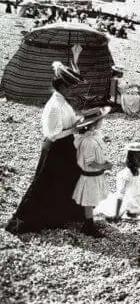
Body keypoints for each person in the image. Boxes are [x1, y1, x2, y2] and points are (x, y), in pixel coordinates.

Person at [5, 62, 86, 234]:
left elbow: (67, 125)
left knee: (66, 181)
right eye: (71, 87)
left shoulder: (63, 102)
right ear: (63, 86)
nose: (73, 90)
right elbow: (53, 134)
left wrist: (79, 123)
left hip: (65, 147)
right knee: (43, 184)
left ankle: (58, 217)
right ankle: (21, 222)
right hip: (55, 148)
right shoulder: (54, 105)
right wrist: (74, 128)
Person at [72, 107, 113, 237]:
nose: (103, 121)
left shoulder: (94, 135)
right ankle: (88, 226)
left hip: (96, 175)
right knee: (89, 202)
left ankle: (89, 219)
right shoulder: (88, 142)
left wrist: (104, 140)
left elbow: (98, 139)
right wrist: (103, 166)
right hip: (90, 175)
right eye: (101, 120)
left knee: (93, 198)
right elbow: (89, 162)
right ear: (94, 123)